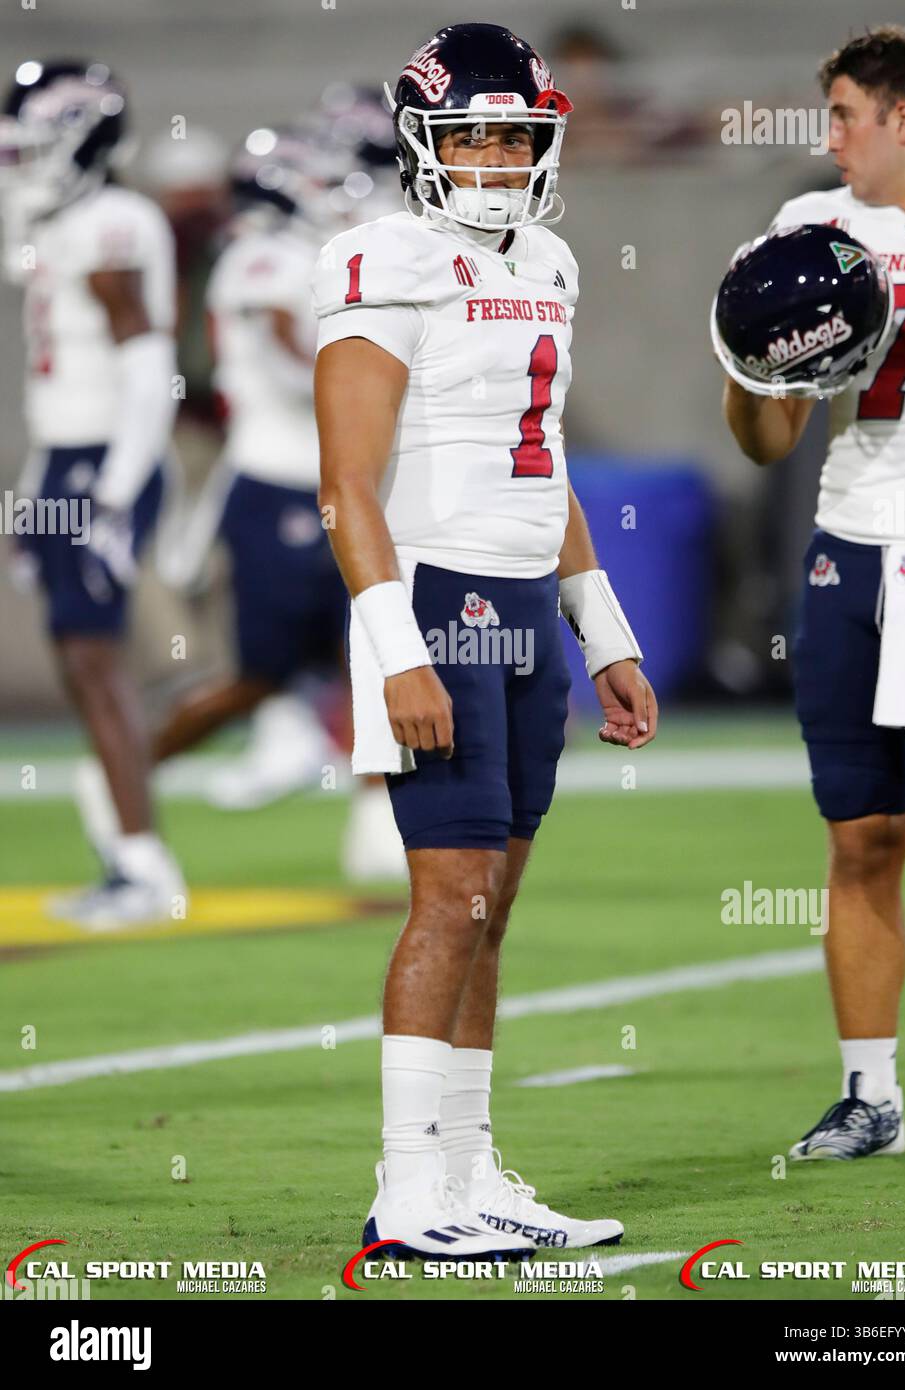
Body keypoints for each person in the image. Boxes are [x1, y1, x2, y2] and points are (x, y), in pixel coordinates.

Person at [313, 23, 657, 1257]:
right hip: (435, 598)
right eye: (474, 134)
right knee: (449, 893)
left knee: (493, 901)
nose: (501, 155)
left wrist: (601, 625)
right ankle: (409, 1192)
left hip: (523, 602)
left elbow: (545, 459)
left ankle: (468, 1167)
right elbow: (346, 484)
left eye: (517, 132)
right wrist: (395, 647)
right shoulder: (382, 256)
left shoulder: (554, 261)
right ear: (424, 141)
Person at [717, 27, 905, 1159]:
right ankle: (872, 1094)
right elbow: (769, 441)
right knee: (862, 835)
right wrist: (755, 365)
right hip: (849, 546)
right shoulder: (817, 231)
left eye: (845, 116)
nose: (830, 142)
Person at [148, 117, 406, 880]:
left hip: (336, 483)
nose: (332, 195)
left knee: (368, 652)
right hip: (277, 484)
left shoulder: (301, 254)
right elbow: (303, 372)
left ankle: (375, 830)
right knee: (258, 676)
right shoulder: (262, 258)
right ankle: (125, 772)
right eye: (314, 182)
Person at [0, 59, 184, 928]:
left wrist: (112, 493)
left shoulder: (110, 222)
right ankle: (128, 856)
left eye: (37, 141)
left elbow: (148, 370)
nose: (22, 158)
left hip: (107, 459)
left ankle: (144, 866)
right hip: (67, 461)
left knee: (96, 661)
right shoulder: (61, 219)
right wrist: (36, 498)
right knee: (79, 660)